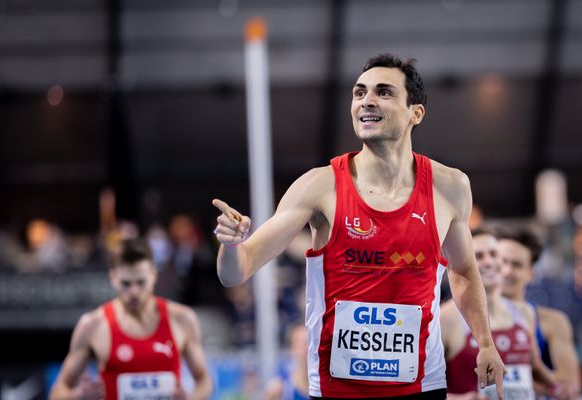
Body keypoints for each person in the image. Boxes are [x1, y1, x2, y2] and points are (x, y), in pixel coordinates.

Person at [212, 53, 505, 399]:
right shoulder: (319, 187)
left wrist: (486, 341)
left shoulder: (450, 188)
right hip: (339, 389)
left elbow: (465, 271)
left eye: (384, 92)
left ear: (416, 113)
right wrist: (231, 245)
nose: (366, 101)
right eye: (359, 92)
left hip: (421, 384)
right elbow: (237, 270)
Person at [49, 238, 212, 400]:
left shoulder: (182, 318)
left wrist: (192, 398)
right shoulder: (92, 325)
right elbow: (56, 393)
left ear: (153, 276)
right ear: (113, 278)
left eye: (141, 282)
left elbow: (205, 381)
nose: (134, 292)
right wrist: (78, 396)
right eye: (126, 283)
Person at [442, 227, 558, 399]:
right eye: (478, 256)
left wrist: (561, 390)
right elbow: (422, 389)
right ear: (464, 263)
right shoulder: (444, 319)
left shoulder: (524, 312)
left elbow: (536, 371)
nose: (489, 262)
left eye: (495, 255)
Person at [498, 227, 581, 399]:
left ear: (531, 274)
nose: (506, 271)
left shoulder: (551, 321)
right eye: (501, 262)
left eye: (516, 265)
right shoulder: (463, 319)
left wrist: (534, 368)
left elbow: (570, 385)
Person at [265, 323, 310, 400]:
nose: (305, 349)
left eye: (308, 343)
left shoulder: (324, 383)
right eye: (300, 344)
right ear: (292, 349)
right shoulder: (281, 385)